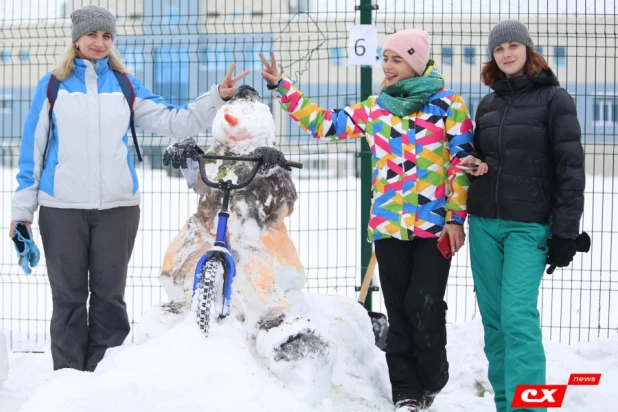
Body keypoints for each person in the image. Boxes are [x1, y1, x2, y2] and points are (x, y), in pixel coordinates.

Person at [8, 4, 249, 372]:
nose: (100, 42)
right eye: (92, 35)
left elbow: (175, 120)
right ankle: (68, 383)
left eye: (106, 36)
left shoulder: (125, 85)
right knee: (69, 300)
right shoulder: (52, 86)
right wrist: (22, 214)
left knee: (109, 299)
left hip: (118, 209)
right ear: (77, 39)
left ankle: (107, 381)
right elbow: (32, 151)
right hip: (61, 209)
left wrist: (218, 95)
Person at [261, 29, 478, 411]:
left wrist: (456, 218)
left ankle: (434, 375)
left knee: (423, 304)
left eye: (397, 59)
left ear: (415, 61)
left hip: (435, 227)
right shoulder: (376, 107)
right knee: (398, 309)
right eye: (386, 59)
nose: (388, 66)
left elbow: (460, 165)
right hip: (389, 226)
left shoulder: (449, 106)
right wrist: (283, 87)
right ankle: (407, 393)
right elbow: (324, 124)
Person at [465, 20, 585, 412]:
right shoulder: (489, 103)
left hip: (528, 225)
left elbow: (571, 168)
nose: (506, 54)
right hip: (484, 222)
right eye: (499, 49)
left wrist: (566, 231)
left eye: (513, 46)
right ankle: (506, 405)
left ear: (528, 51)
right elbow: (486, 157)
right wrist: (475, 164)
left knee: (518, 318)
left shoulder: (555, 99)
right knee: (495, 323)